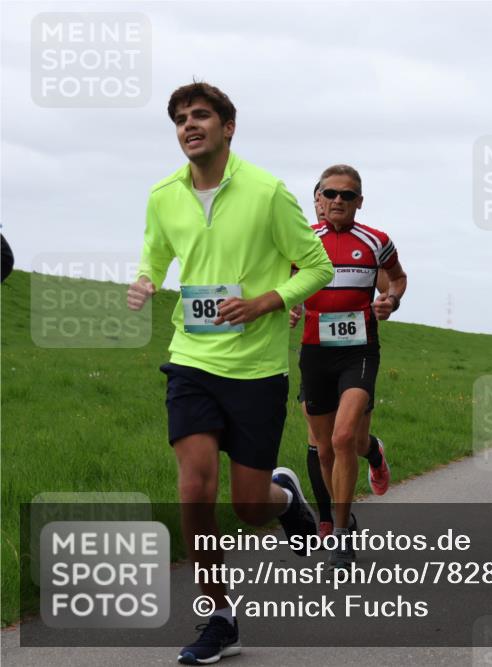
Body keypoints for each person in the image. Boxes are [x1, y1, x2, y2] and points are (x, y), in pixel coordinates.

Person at [126, 82, 333, 665]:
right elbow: (155, 252)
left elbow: (317, 265)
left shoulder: (267, 192)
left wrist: (268, 301)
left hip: (258, 368)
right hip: (191, 358)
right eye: (180, 119)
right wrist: (145, 279)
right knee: (194, 488)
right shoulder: (163, 194)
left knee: (247, 506)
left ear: (227, 127)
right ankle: (219, 616)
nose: (189, 125)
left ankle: (283, 495)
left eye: (201, 116)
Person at [296, 164, 406, 569]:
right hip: (315, 352)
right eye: (331, 194)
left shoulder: (376, 241)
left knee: (343, 439)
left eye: (347, 195)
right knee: (326, 448)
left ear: (359, 201)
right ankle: (373, 453)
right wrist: (290, 307)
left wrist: (390, 301)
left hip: (359, 350)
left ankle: (340, 535)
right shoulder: (303, 240)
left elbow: (397, 278)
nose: (338, 201)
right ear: (320, 198)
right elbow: (285, 284)